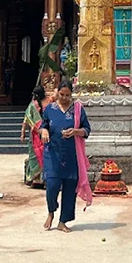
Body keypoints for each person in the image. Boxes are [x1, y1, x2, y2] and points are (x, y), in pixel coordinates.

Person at [38, 79, 92, 233]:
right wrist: (45, 131)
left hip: (71, 155)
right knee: (52, 186)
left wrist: (76, 132)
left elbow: (87, 129)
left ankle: (63, 221)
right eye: (62, 94)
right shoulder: (50, 109)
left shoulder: (78, 110)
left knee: (69, 189)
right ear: (57, 93)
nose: (64, 98)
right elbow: (43, 125)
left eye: (67, 95)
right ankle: (51, 212)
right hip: (52, 153)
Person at [20, 86, 46, 188]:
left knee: (34, 156)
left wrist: (22, 134)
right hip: (44, 132)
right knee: (42, 155)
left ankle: (34, 179)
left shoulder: (31, 106)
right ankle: (41, 179)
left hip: (35, 133)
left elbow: (26, 120)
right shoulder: (48, 104)